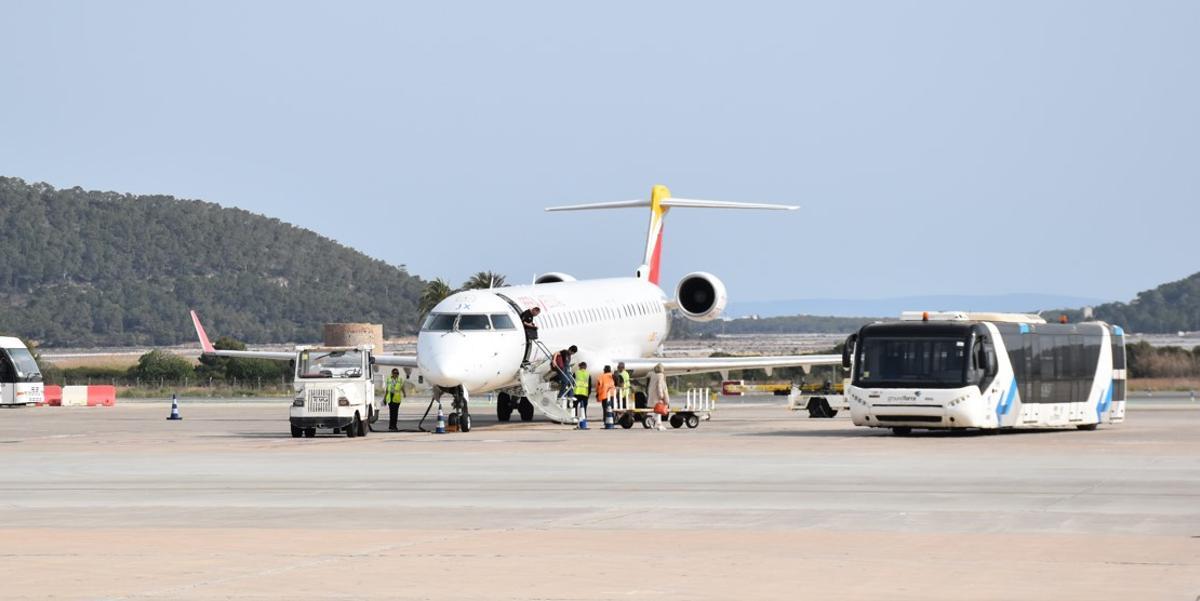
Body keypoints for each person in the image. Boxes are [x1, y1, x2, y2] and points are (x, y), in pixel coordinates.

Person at [647, 363, 669, 431]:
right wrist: (661, 395)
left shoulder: (653, 376)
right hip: (658, 396)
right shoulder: (660, 376)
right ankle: (659, 425)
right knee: (660, 410)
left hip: (653, 395)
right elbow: (660, 386)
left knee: (657, 411)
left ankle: (652, 420)